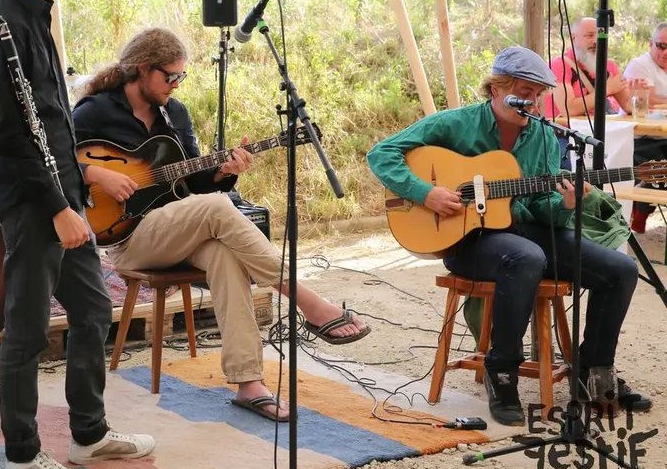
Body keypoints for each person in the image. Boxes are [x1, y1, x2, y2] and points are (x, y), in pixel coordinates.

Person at [72, 27, 371, 423]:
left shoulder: (175, 114)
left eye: (181, 76)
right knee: (216, 207)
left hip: (176, 229)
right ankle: (306, 300)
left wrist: (223, 172)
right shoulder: (94, 111)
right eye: (170, 76)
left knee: (224, 253)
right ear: (142, 69)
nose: (176, 84)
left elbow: (195, 183)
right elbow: (53, 161)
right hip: (127, 238)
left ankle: (249, 383)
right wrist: (95, 174)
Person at [0, 0, 155, 469]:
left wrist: (77, 190)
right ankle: (22, 457)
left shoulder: (35, 13)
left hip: (62, 197)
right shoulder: (0, 26)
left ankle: (88, 433)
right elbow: (10, 136)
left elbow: (49, 122)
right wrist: (57, 209)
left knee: (93, 309)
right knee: (25, 331)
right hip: (33, 205)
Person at [367, 46, 651, 426]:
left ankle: (593, 371)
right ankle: (501, 372)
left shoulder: (544, 135)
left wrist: (566, 204)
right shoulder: (455, 124)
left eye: (538, 93)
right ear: (496, 88)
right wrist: (426, 193)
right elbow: (381, 154)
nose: (532, 100)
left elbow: (540, 205)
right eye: (524, 91)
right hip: (467, 241)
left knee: (620, 269)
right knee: (526, 257)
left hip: (525, 231)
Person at [622, 21, 667, 233]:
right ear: (650, 44)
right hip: (642, 137)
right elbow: (647, 100)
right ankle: (639, 216)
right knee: (660, 166)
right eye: (661, 46)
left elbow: (656, 99)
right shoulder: (639, 65)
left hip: (661, 136)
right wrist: (655, 100)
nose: (665, 52)